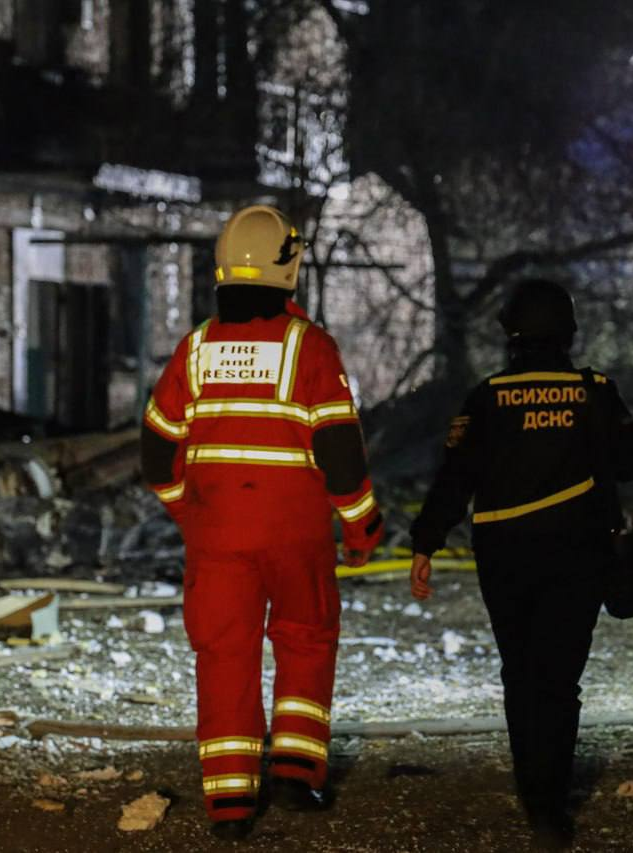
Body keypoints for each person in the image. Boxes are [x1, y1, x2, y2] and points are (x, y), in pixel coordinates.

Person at [140, 204, 384, 841]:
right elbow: (340, 454)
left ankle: (229, 801)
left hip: (217, 538)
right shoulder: (310, 347)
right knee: (305, 638)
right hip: (296, 535)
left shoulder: (194, 349)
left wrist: (188, 513)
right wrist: (362, 528)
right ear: (289, 269)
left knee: (224, 654)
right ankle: (297, 772)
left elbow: (157, 451)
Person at [408, 279, 633, 849]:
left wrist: (426, 542)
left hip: (505, 555)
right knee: (559, 680)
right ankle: (551, 811)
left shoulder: (488, 396)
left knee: (520, 675)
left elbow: (454, 479)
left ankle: (533, 797)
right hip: (578, 552)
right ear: (568, 332)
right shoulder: (594, 391)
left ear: (511, 334)